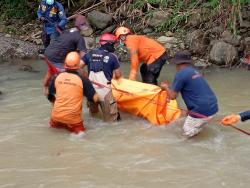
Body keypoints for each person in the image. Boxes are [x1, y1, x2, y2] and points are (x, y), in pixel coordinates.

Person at [160, 51, 218, 137]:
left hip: (201, 111)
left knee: (186, 135)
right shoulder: (195, 71)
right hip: (213, 108)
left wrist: (165, 87)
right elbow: (196, 92)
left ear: (177, 63)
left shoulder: (180, 75)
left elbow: (172, 97)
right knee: (190, 122)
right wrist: (188, 110)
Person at [47, 52, 99, 136]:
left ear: (65, 64)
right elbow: (94, 98)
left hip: (56, 117)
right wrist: (98, 94)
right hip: (73, 121)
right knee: (84, 138)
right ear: (78, 65)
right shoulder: (83, 80)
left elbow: (49, 95)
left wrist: (55, 104)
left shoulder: (56, 77)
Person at [43, 15, 88, 94]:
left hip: (48, 52)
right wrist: (79, 69)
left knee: (50, 71)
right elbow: (83, 55)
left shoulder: (66, 32)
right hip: (56, 57)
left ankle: (45, 88)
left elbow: (64, 42)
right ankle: (85, 90)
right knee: (67, 76)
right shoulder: (79, 37)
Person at [82, 33, 122, 121]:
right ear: (109, 44)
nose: (114, 47)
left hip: (91, 92)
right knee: (112, 121)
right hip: (105, 91)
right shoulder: (112, 57)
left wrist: (86, 77)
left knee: (94, 118)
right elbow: (118, 75)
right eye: (113, 44)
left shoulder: (90, 54)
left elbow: (77, 66)